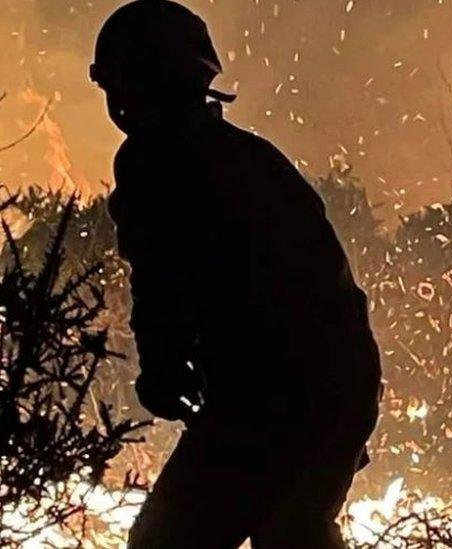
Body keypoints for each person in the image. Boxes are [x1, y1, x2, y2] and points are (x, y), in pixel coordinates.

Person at [89, 1, 382, 547]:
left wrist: (162, 368)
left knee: (170, 541)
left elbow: (164, 280)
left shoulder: (156, 162)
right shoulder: (249, 156)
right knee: (294, 532)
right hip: (335, 383)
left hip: (277, 393)